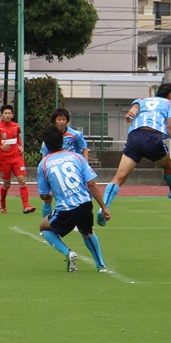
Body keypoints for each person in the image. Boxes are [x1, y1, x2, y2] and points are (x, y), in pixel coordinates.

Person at [97, 83, 171, 226]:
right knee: (168, 165)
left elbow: (134, 109)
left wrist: (131, 114)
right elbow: (170, 125)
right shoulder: (170, 104)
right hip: (152, 138)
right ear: (170, 96)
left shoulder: (142, 100)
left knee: (119, 177)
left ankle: (104, 208)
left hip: (135, 137)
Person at [37, 125, 111, 272]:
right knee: (87, 232)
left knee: (44, 227)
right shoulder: (77, 157)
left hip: (66, 209)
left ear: (46, 144)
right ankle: (101, 265)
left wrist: (50, 196)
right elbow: (91, 184)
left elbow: (44, 195)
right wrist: (104, 207)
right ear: (62, 141)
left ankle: (68, 253)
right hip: (85, 204)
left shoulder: (44, 164)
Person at [40, 107, 89, 219]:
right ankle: (47, 223)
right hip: (56, 171)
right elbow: (44, 155)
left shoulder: (75, 134)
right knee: (48, 198)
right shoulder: (50, 136)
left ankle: (78, 222)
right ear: (54, 121)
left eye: (64, 119)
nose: (62, 122)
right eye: (59, 119)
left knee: (77, 196)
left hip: (72, 171)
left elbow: (84, 148)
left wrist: (85, 165)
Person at [0, 104, 36, 214]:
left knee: (22, 180)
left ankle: (26, 206)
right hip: (4, 160)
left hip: (16, 158)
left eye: (9, 113)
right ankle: (3, 204)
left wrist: (20, 146)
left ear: (12, 115)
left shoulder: (16, 126)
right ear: (1, 115)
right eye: (5, 113)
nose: (7, 115)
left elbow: (17, 137)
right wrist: (1, 147)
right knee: (7, 184)